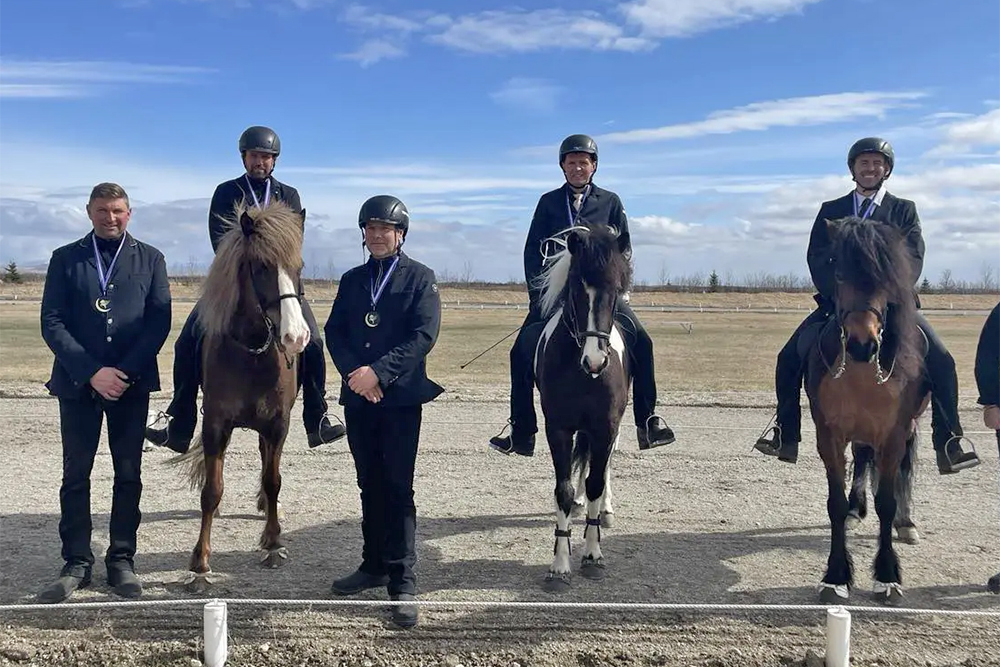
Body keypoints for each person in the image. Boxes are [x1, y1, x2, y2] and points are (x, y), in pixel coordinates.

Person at [754, 137, 980, 474]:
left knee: (942, 360)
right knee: (788, 357)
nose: (870, 168)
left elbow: (913, 258)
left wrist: (883, 296)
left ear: (887, 169)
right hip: (841, 306)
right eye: (864, 163)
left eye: (877, 163)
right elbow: (816, 257)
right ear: (853, 169)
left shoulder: (903, 210)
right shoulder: (831, 210)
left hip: (893, 306)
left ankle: (949, 440)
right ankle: (785, 433)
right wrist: (841, 297)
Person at [145, 125, 345, 453]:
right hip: (232, 282)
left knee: (314, 340)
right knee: (187, 340)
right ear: (244, 158)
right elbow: (218, 239)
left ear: (274, 161)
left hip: (280, 282)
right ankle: (179, 420)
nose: (260, 162)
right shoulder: (226, 192)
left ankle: (318, 416)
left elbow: (293, 242)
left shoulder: (289, 195)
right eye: (255, 156)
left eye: (267, 157)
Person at [488, 133, 675, 457]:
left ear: (594, 167)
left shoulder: (611, 202)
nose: (577, 168)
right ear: (563, 167)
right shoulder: (548, 202)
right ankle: (522, 430)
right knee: (519, 352)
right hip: (557, 296)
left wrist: (619, 291)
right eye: (571, 162)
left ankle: (648, 421)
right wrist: (538, 296)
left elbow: (624, 249)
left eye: (583, 163)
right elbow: (533, 251)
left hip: (601, 295)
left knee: (643, 343)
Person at [37, 182, 172, 603]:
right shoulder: (65, 259)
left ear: (129, 213)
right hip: (78, 385)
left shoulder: (151, 259)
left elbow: (158, 323)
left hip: (129, 387)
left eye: (117, 210)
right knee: (76, 474)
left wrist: (123, 372)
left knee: (128, 473)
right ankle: (77, 561)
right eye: (102, 210)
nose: (109, 217)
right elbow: (52, 321)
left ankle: (121, 559)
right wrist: (93, 371)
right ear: (89, 212)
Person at [324, 195, 443, 629]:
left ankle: (402, 579)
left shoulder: (421, 278)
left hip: (398, 399)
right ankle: (372, 564)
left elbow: (423, 336)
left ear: (401, 234)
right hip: (359, 396)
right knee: (367, 483)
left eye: (385, 229)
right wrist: (356, 375)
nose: (377, 235)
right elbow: (335, 330)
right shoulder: (352, 279)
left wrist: (378, 373)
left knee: (396, 486)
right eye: (371, 228)